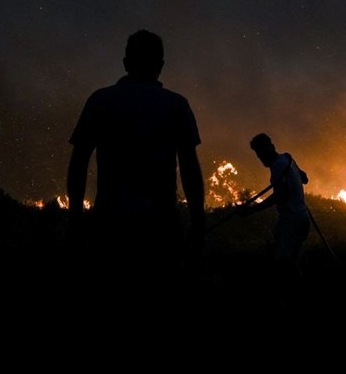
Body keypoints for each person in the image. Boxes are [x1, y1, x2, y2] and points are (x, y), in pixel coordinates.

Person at [67, 30, 206, 282]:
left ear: (126, 63)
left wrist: (75, 216)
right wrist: (198, 221)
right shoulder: (176, 105)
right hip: (160, 227)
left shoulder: (100, 100)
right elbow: (189, 169)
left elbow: (78, 162)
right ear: (161, 66)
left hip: (110, 225)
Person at [237, 133, 311, 299]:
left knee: (284, 265)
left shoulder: (278, 166)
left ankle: (296, 298)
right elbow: (305, 178)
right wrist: (294, 176)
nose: (261, 158)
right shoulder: (287, 158)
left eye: (262, 153)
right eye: (258, 155)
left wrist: (250, 211)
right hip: (298, 218)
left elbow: (281, 195)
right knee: (288, 261)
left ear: (270, 147)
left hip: (292, 222)